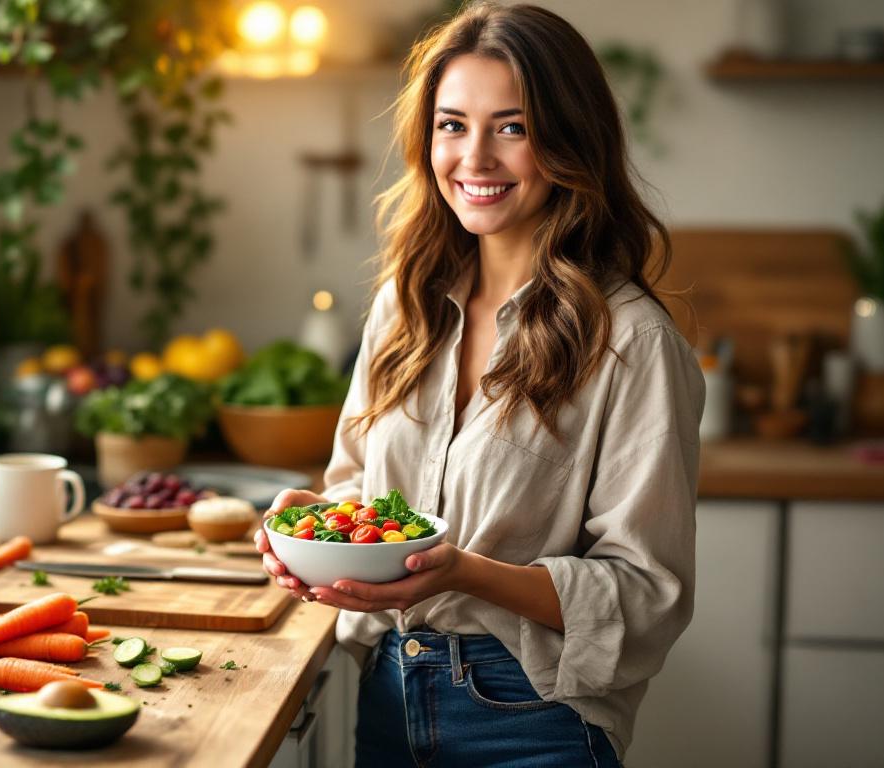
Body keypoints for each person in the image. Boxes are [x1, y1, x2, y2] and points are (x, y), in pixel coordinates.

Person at [254, 3, 705, 766]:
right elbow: (360, 490)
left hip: (531, 717)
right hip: (388, 694)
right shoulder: (407, 302)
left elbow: (645, 593)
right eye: (452, 125)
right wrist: (316, 529)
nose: (475, 159)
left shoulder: (631, 341)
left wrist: (464, 572)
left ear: (570, 142)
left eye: (513, 128)